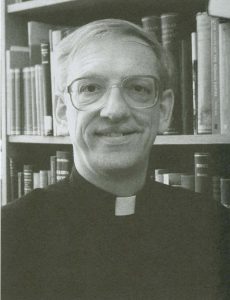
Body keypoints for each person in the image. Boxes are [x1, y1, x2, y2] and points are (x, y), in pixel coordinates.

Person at [2, 19, 229, 300]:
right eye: (91, 88)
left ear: (165, 111)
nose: (115, 110)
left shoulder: (214, 226)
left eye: (138, 88)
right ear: (62, 112)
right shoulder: (9, 234)